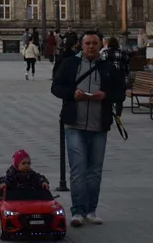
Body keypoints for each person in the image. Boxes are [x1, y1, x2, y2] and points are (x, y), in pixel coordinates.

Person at [51, 31, 126, 227]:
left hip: (99, 125)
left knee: (94, 171)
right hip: (73, 124)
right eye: (87, 43)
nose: (91, 47)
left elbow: (121, 93)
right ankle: (77, 211)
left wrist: (106, 95)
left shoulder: (108, 68)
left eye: (94, 43)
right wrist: (72, 94)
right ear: (81, 46)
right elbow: (56, 87)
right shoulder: (70, 64)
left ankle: (91, 210)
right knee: (78, 170)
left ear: (100, 45)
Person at [99, 36, 132, 114]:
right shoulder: (123, 54)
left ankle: (108, 113)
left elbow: (101, 66)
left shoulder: (105, 53)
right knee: (119, 99)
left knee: (108, 97)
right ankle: (118, 115)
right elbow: (127, 68)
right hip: (120, 78)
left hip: (108, 79)